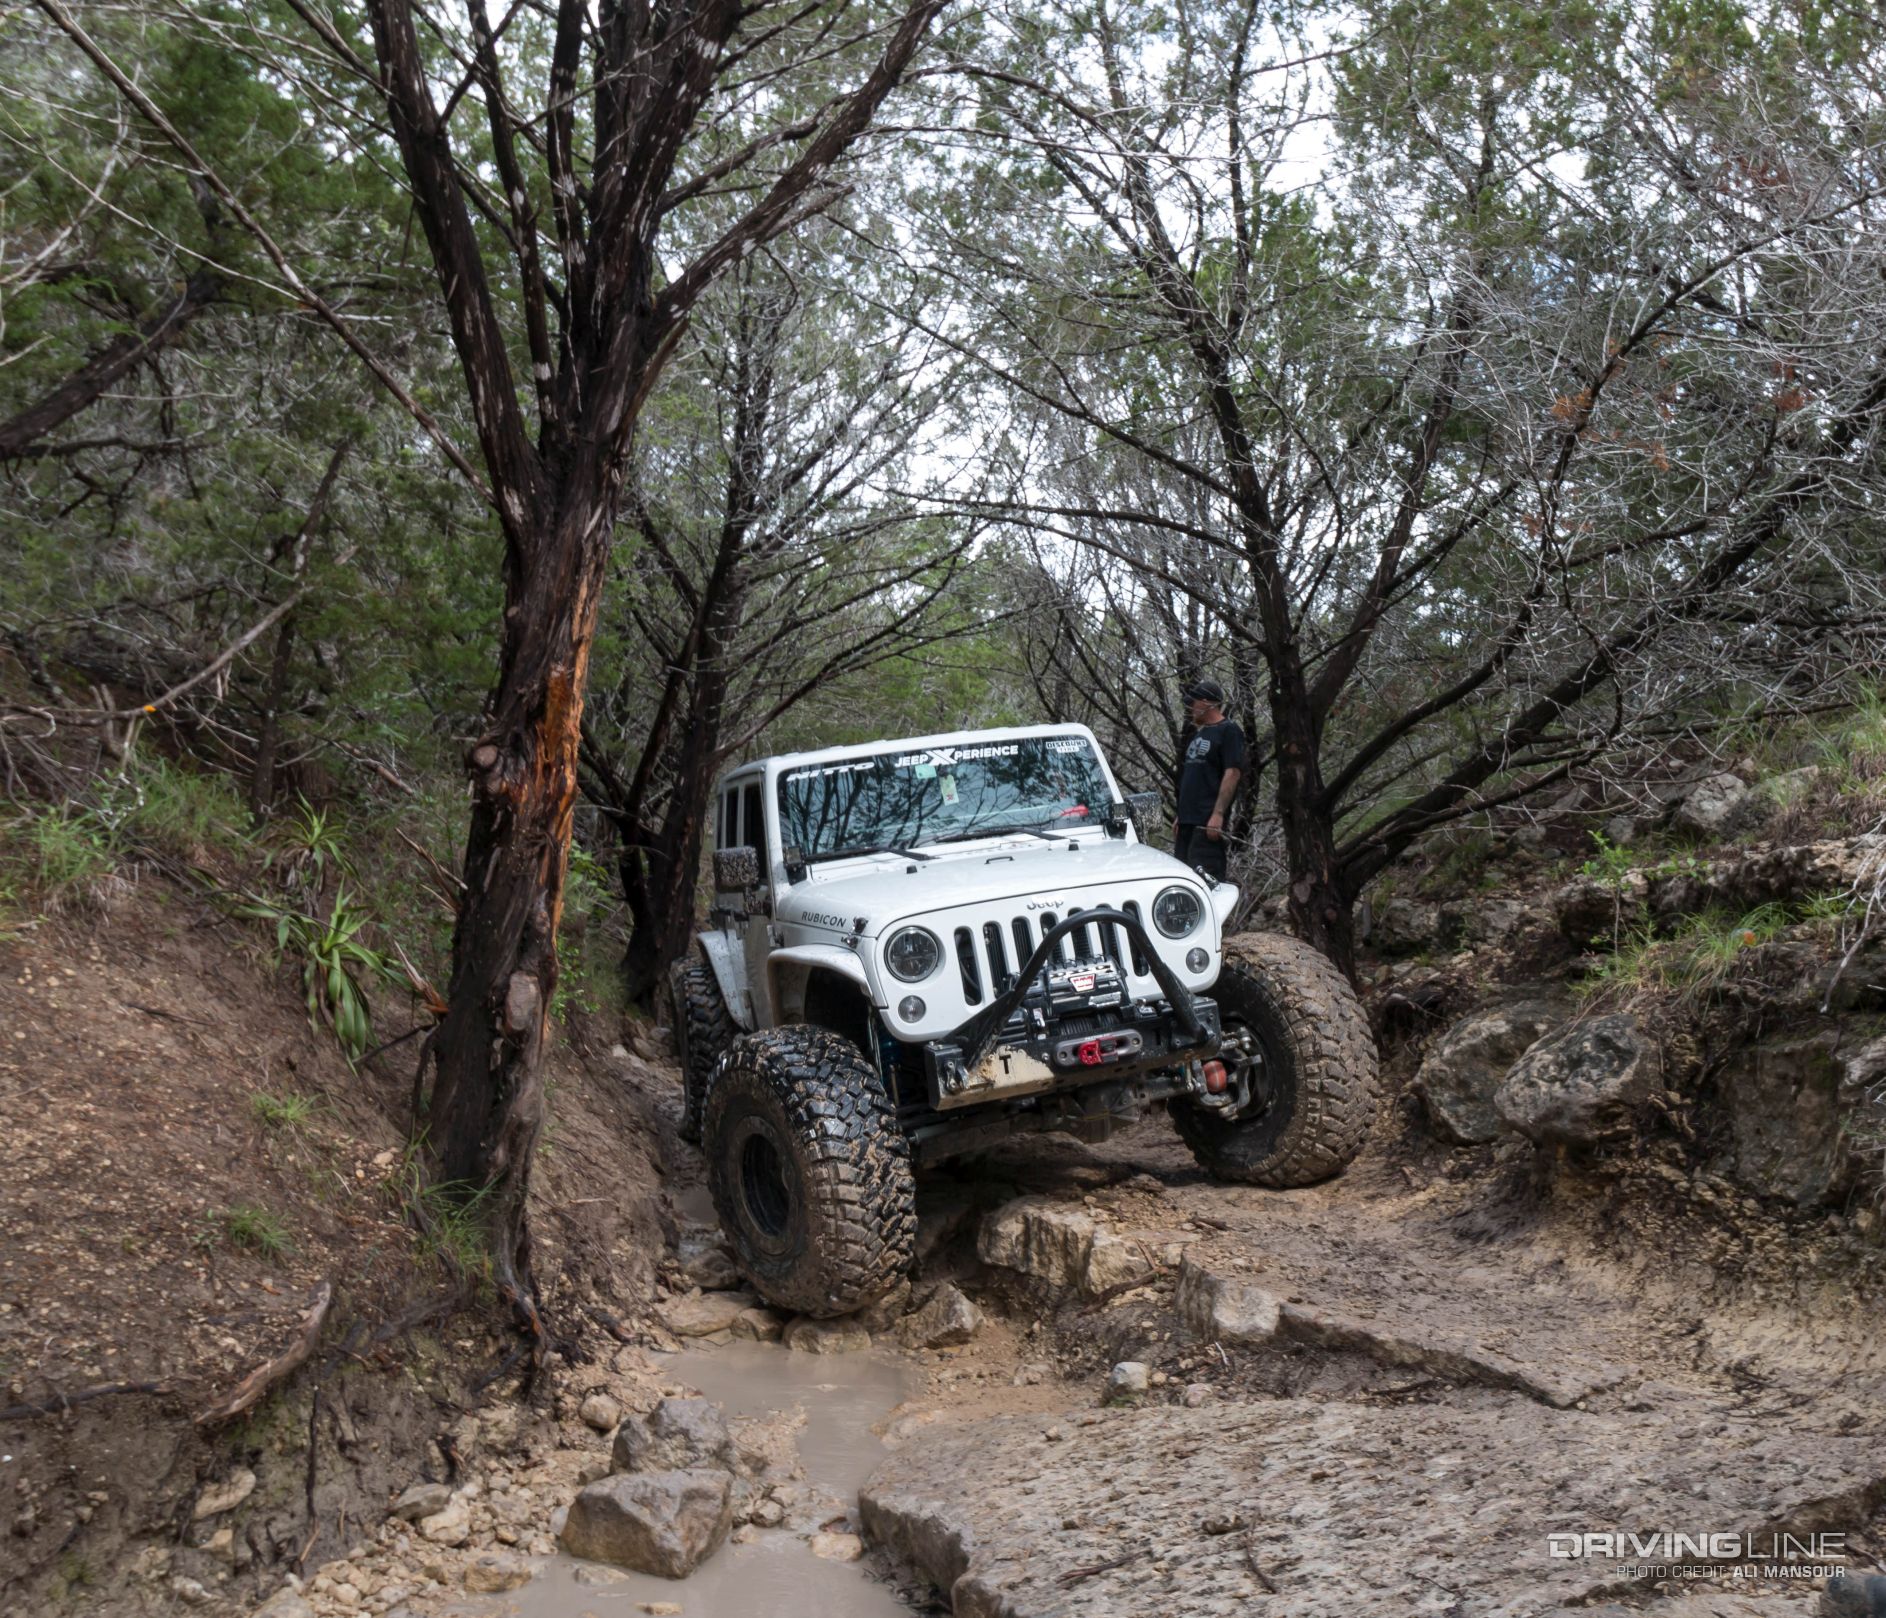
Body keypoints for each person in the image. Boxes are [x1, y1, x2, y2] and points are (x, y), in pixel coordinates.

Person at [1173, 677, 1246, 882]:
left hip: (1207, 823)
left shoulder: (1229, 730)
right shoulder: (1199, 735)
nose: (1192, 708)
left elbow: (1233, 772)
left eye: (1194, 703)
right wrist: (1182, 815)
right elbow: (1193, 778)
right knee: (1183, 881)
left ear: (1206, 703)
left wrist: (1218, 814)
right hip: (1188, 822)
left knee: (1206, 881)